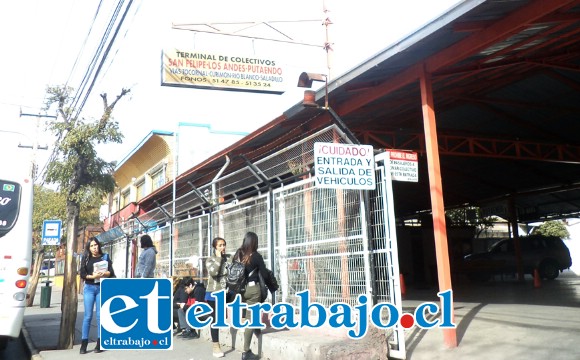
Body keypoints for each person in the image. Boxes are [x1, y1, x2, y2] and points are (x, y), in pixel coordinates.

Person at [235, 232, 271, 360]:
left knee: (251, 313)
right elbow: (265, 274)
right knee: (251, 318)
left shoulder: (238, 254)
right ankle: (246, 352)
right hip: (252, 289)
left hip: (241, 290)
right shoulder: (256, 256)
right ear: (254, 242)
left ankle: (256, 328)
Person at [79, 237, 114, 354]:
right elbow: (82, 274)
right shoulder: (85, 258)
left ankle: (100, 343)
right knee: (88, 316)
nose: (95, 248)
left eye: (96, 245)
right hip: (89, 288)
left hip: (101, 288)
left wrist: (104, 273)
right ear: (89, 248)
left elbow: (111, 272)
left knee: (100, 316)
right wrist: (92, 277)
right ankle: (84, 344)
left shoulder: (105, 257)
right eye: (92, 246)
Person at [205, 237, 231, 358]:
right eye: (220, 245)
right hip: (213, 293)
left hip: (225, 292)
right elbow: (214, 272)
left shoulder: (228, 258)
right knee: (215, 320)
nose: (222, 247)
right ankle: (216, 346)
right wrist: (219, 258)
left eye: (224, 245)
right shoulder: (210, 260)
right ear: (215, 247)